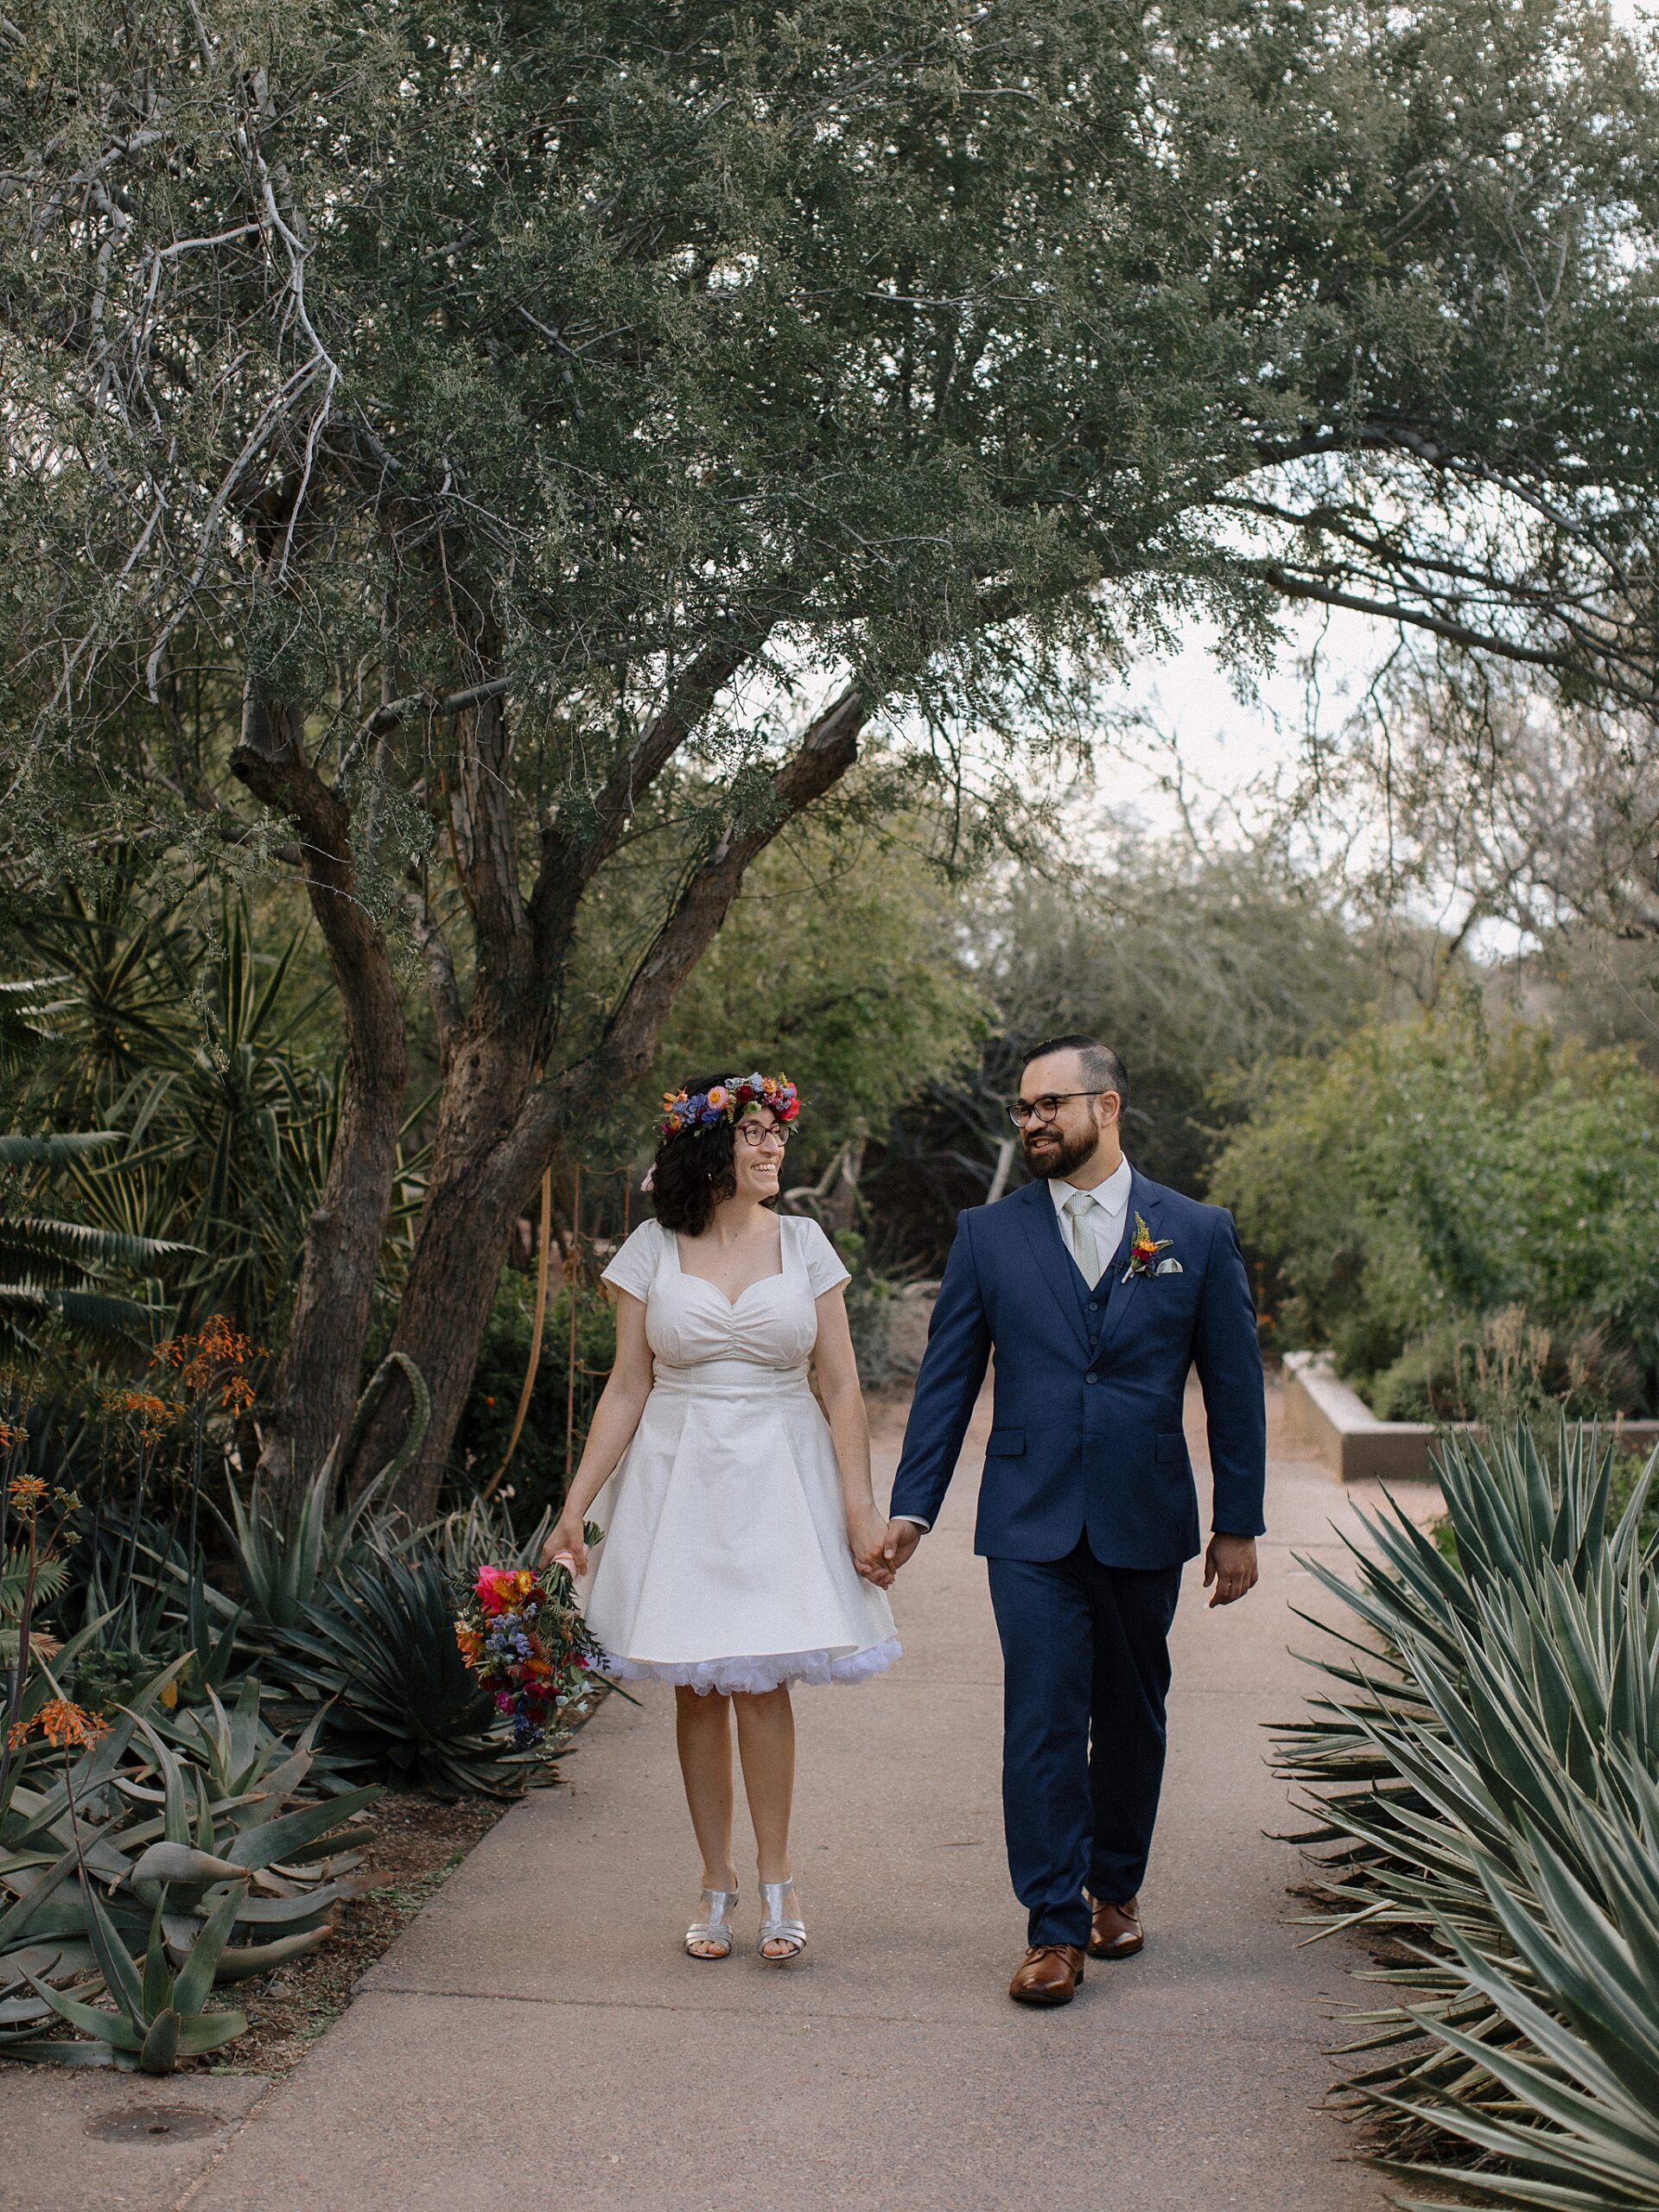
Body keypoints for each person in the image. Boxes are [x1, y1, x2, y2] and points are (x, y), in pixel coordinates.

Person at [880, 1035, 1266, 2006]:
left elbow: (1234, 1385)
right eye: (1024, 1108)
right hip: (1028, 1518)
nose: (1034, 1122)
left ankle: (1116, 1887)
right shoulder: (988, 1233)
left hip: (1146, 1514)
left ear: (1109, 1106)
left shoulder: (1196, 1230)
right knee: (1043, 1717)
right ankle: (1052, 1929)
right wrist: (912, 1508)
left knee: (1132, 1715)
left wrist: (1239, 1521)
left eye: (1052, 1104)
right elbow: (946, 1383)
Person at [541, 1071, 898, 1967]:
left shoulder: (806, 1243)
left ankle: (780, 1881)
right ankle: (715, 1878)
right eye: (752, 1130)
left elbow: (842, 1382)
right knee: (699, 1684)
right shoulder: (651, 1249)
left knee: (763, 1679)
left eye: (777, 1130)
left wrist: (860, 1510)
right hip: (680, 1471)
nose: (773, 1144)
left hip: (781, 1472)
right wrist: (575, 1508)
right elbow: (628, 1385)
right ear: (709, 1142)